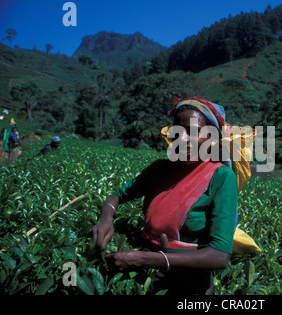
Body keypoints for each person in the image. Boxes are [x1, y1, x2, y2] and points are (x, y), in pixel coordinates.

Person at [91, 97, 239, 295]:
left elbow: (219, 256)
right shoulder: (159, 169)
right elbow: (116, 196)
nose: (184, 139)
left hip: (189, 283)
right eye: (178, 130)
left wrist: (145, 259)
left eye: (194, 131)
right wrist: (105, 219)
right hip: (143, 274)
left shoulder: (221, 177)